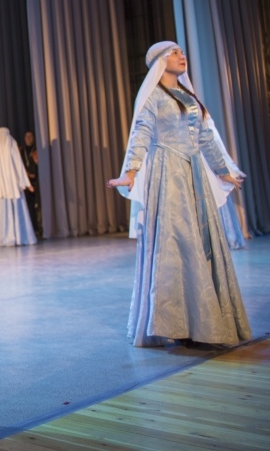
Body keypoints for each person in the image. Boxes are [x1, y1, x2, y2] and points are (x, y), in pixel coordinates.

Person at [107, 41, 250, 348]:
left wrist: (223, 171)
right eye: (174, 53)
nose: (181, 56)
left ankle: (204, 321)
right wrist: (130, 171)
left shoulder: (189, 97)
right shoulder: (154, 97)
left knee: (201, 241)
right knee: (176, 243)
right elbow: (141, 132)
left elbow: (205, 137)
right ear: (160, 61)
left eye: (181, 52)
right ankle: (176, 323)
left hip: (195, 173)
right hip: (169, 174)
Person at [0, 128, 37, 247]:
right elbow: (18, 166)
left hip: (6, 187)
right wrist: (26, 183)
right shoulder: (10, 143)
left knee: (1, 212)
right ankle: (18, 236)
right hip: (10, 187)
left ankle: (2, 237)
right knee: (15, 210)